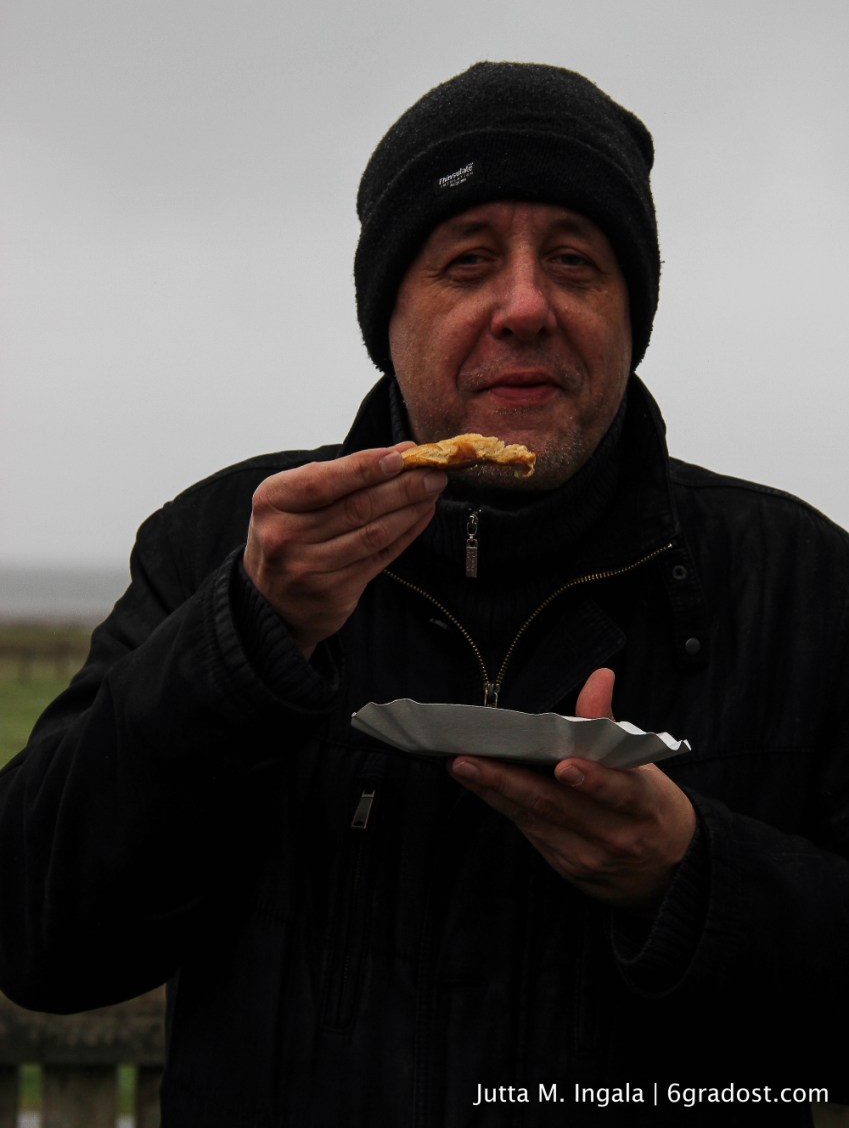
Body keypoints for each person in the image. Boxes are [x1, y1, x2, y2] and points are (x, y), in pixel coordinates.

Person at [0, 61, 847, 1128]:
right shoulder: (222, 545)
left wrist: (692, 879)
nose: (527, 305)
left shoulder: (804, 584)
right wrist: (246, 642)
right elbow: (40, 937)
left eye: (577, 262)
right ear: (388, 315)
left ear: (632, 314)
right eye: (468, 261)